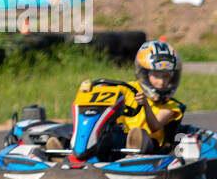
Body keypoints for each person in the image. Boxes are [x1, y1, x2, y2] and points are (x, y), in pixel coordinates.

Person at [45, 40, 185, 153]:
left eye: (166, 76)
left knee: (139, 136)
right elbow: (107, 90)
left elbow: (155, 126)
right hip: (120, 137)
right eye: (157, 75)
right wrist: (91, 88)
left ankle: (133, 148)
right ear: (145, 73)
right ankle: (62, 147)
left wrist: (146, 105)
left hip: (149, 145)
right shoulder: (130, 89)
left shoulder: (171, 106)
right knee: (69, 129)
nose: (161, 82)